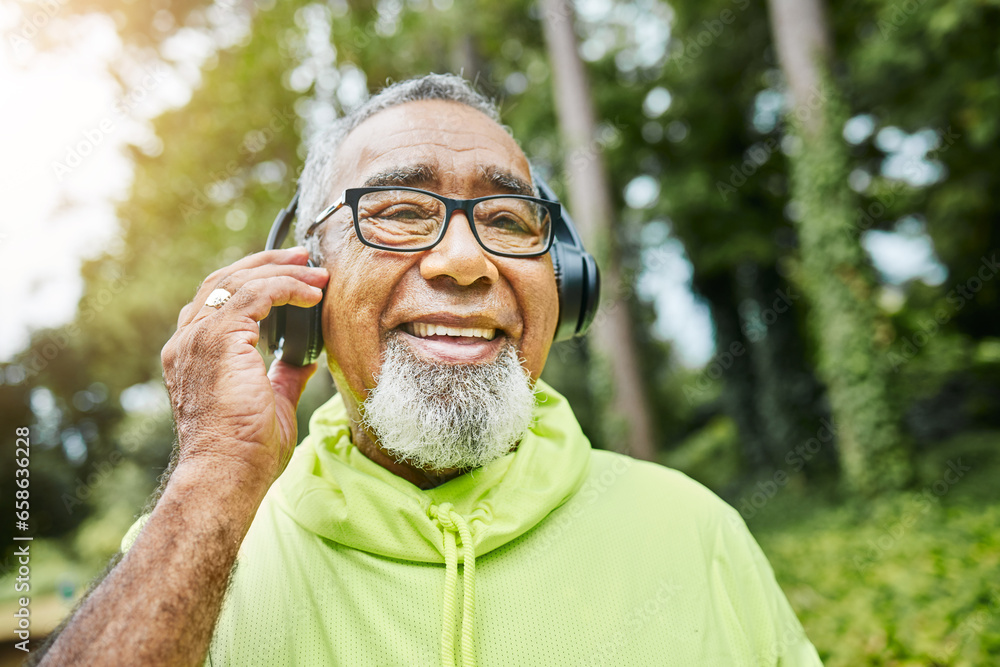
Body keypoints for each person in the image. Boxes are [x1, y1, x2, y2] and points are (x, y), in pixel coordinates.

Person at [34, 74, 821, 666]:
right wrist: (215, 470)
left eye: (508, 220)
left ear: (566, 286)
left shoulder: (696, 530)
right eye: (400, 211)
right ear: (302, 283)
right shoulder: (190, 549)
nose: (463, 260)